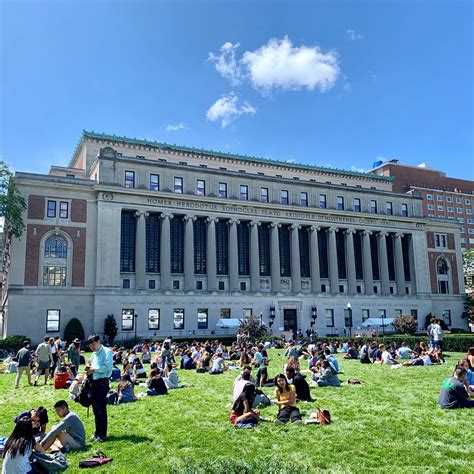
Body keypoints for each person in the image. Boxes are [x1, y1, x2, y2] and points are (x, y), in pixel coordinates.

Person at [86, 334, 113, 442]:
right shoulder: (94, 354)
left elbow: (107, 367)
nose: (92, 347)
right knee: (95, 409)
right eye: (90, 345)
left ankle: (102, 434)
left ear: (98, 341)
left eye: (93, 344)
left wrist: (94, 369)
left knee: (101, 409)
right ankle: (97, 432)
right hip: (94, 382)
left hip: (102, 382)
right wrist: (89, 370)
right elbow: (92, 366)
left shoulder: (107, 352)